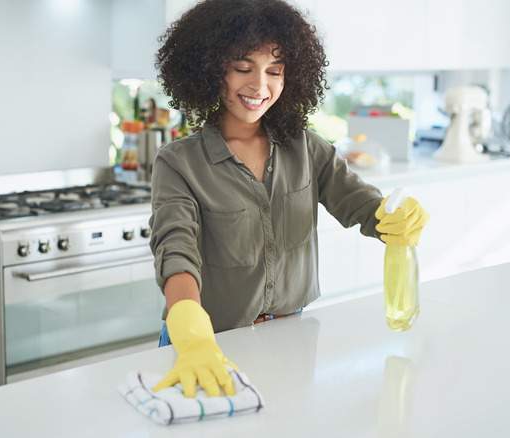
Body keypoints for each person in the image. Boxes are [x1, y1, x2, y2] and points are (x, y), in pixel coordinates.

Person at [148, 0, 429, 398]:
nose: (259, 86)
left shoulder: (306, 148)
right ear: (210, 69)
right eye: (242, 68)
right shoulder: (179, 163)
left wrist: (395, 215)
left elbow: (363, 206)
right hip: (208, 345)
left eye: (274, 71)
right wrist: (190, 331)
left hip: (290, 336)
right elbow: (175, 251)